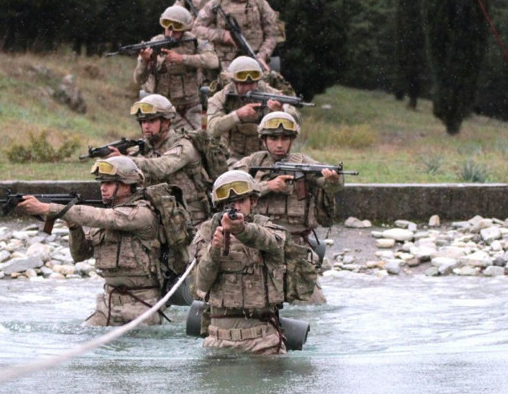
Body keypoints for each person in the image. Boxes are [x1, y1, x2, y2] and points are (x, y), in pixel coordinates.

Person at [17, 156, 166, 326]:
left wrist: (49, 208)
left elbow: (101, 216)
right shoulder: (105, 218)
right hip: (107, 304)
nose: (102, 188)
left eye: (109, 183)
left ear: (126, 185)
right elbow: (80, 255)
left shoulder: (141, 214)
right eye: (101, 183)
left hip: (142, 305)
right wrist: (74, 228)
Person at [233, 112, 343, 304]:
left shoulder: (304, 163)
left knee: (313, 305)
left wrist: (332, 180)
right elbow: (228, 189)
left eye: (285, 138)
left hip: (295, 245)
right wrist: (269, 186)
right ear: (263, 139)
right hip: (258, 243)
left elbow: (331, 183)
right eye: (274, 138)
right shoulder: (252, 163)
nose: (280, 144)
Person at [191, 170, 287, 355]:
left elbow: (271, 242)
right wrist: (214, 250)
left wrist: (241, 229)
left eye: (241, 201)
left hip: (262, 341)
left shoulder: (268, 228)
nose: (235, 207)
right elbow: (200, 285)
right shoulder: (207, 232)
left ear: (254, 201)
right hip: (218, 340)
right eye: (229, 204)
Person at [104, 94, 212, 226]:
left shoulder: (184, 145)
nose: (146, 126)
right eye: (143, 122)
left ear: (166, 122)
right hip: (158, 217)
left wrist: (125, 160)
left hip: (190, 219)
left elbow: (162, 167)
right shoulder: (142, 149)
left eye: (151, 121)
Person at [133, 6, 219, 132]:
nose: (171, 34)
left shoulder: (194, 43)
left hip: (189, 107)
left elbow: (213, 61)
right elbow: (139, 79)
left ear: (184, 29)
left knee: (195, 141)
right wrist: (144, 61)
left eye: (176, 30)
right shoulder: (154, 43)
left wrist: (182, 58)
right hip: (161, 109)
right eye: (168, 29)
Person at [206, 56, 300, 166]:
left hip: (269, 157)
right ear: (233, 82)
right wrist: (237, 115)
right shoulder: (221, 98)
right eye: (243, 84)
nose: (248, 88)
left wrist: (279, 112)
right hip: (233, 157)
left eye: (252, 83)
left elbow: (296, 123)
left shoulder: (272, 94)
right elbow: (211, 129)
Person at [192, 0, 279, 70]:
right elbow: (196, 29)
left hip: (254, 58)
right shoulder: (217, 2)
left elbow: (272, 32)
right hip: (226, 62)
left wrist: (263, 55)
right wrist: (222, 35)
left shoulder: (258, 2)